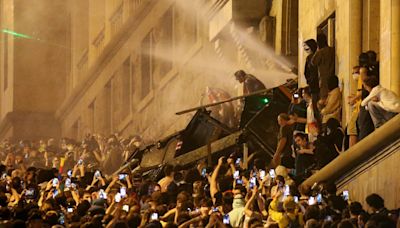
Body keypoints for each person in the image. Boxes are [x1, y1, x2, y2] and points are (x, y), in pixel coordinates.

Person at [312, 33, 335, 101]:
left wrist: (317, 50)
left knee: (324, 100)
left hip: (324, 79)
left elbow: (313, 62)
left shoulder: (320, 52)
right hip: (333, 77)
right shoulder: (332, 50)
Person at [303, 39, 321, 122]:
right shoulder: (310, 57)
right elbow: (306, 73)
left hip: (316, 86)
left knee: (317, 108)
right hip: (315, 86)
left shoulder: (312, 57)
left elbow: (306, 72)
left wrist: (310, 80)